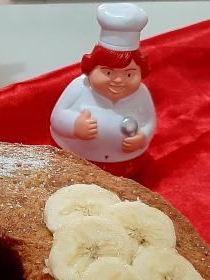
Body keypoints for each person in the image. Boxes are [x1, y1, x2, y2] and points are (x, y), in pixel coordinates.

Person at [51, 3, 155, 177]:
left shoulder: (142, 94)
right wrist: (75, 126)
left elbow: (149, 120)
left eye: (129, 75)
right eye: (108, 72)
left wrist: (142, 137)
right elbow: (57, 116)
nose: (118, 80)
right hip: (75, 159)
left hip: (124, 164)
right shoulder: (79, 87)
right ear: (91, 69)